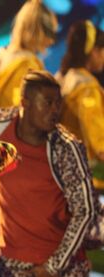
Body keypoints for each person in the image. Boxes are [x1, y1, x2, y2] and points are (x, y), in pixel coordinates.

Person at [0, 70, 99, 277]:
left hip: (63, 263)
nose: (55, 110)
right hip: (11, 259)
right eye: (47, 102)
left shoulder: (66, 147)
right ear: (25, 102)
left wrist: (53, 268)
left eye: (57, 103)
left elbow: (86, 210)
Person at [0, 0, 57, 124]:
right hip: (8, 136)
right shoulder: (30, 64)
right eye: (49, 32)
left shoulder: (2, 53)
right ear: (37, 30)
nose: (51, 41)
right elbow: (23, 113)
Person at [57, 20, 104, 189]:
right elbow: (99, 144)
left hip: (64, 169)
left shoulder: (65, 77)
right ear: (93, 52)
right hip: (89, 179)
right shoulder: (87, 88)